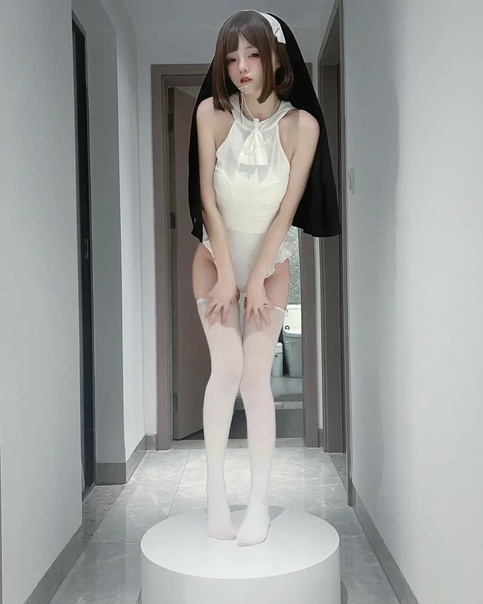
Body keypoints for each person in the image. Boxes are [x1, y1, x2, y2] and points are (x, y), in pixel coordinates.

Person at [188, 9, 340, 547]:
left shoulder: (303, 127)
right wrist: (228, 274)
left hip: (271, 267)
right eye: (232, 58)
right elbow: (207, 200)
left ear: (276, 57)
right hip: (215, 262)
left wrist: (255, 279)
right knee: (226, 369)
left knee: (255, 380)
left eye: (253, 54)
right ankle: (214, 492)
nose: (242, 67)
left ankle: (257, 503)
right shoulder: (210, 114)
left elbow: (286, 211)